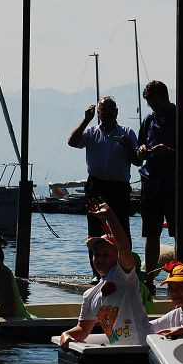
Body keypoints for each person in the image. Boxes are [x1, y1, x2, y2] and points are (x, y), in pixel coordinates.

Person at [59, 199, 150, 348]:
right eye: (97, 254)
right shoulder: (89, 295)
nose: (100, 258)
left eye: (106, 254)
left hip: (144, 349)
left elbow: (125, 248)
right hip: (119, 353)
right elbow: (82, 330)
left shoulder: (124, 276)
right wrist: (67, 334)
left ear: (117, 257)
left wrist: (109, 216)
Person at [68, 96, 139, 282]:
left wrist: (129, 147)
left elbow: (138, 161)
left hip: (119, 187)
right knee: (95, 229)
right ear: (98, 113)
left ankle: (124, 271)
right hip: (96, 186)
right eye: (103, 110)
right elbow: (72, 141)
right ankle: (97, 273)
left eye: (110, 109)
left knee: (121, 228)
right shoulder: (91, 132)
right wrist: (86, 119)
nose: (107, 113)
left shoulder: (127, 132)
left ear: (117, 112)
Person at [136, 80, 183, 277]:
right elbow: (139, 150)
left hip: (174, 185)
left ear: (166, 98)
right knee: (152, 234)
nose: (153, 108)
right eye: (150, 104)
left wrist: (170, 152)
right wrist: (142, 150)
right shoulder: (148, 120)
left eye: (155, 103)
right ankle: (150, 278)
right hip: (151, 184)